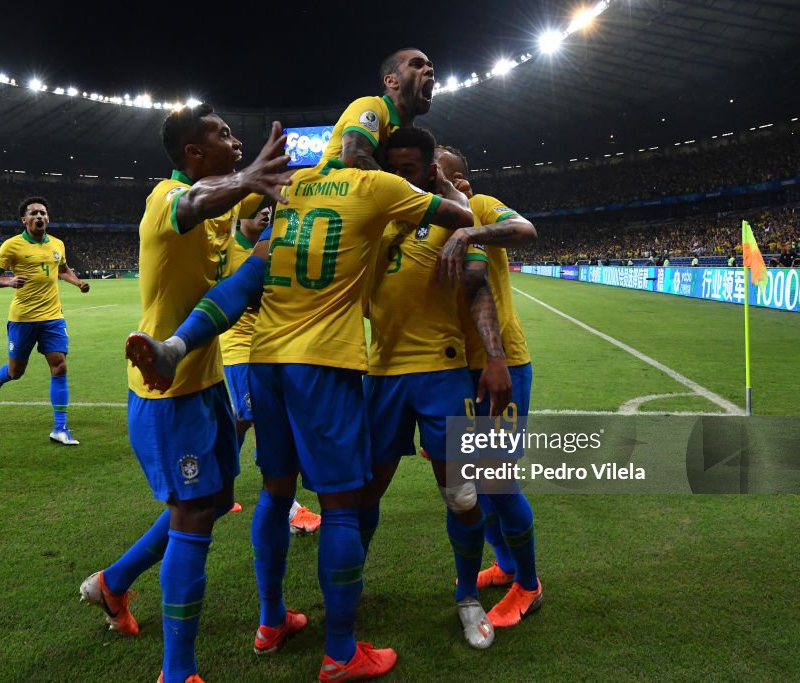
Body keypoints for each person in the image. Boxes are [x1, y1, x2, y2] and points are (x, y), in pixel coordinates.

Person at [126, 140, 475, 682]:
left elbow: (247, 281)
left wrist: (179, 343)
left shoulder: (292, 191)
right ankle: (340, 652)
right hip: (333, 362)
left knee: (275, 490)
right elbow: (466, 215)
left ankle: (270, 621)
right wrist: (438, 186)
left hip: (266, 359)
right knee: (343, 505)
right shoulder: (376, 189)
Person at [80, 104, 292, 683]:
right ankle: (177, 673)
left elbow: (231, 277)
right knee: (196, 513)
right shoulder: (165, 200)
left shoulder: (220, 214)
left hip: (204, 381)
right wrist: (248, 181)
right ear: (194, 154)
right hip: (163, 388)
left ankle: (113, 583)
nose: (235, 139)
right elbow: (195, 203)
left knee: (213, 500)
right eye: (222, 135)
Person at [358, 127, 511, 649]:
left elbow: (477, 288)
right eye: (392, 168)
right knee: (364, 493)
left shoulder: (455, 223)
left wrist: (495, 357)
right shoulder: (371, 223)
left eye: (412, 168)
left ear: (429, 171)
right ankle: (350, 587)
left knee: (463, 495)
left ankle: (468, 597)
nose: (401, 176)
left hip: (442, 374)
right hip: (379, 375)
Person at [435, 144, 543, 630]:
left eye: (437, 168)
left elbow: (525, 230)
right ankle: (506, 564)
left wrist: (470, 229)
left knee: (497, 482)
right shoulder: (422, 216)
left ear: (461, 180)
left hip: (504, 364)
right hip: (458, 370)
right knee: (473, 485)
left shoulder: (480, 207)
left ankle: (530, 584)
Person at [219, 205, 322, 534]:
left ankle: (220, 485)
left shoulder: (476, 214)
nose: (265, 213)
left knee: (243, 419)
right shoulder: (232, 252)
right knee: (258, 418)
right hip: (241, 347)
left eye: (267, 207)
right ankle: (288, 506)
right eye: (255, 208)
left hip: (268, 345)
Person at [0, 197, 89, 445]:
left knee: (59, 366)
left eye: (43, 213)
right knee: (16, 372)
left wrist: (77, 282)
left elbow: (62, 269)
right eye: (34, 213)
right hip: (23, 319)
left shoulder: (57, 244)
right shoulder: (12, 246)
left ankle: (60, 428)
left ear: (48, 218)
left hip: (53, 317)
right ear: (24, 220)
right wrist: (9, 281)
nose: (40, 217)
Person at [320, 48, 436, 170]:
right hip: (329, 186)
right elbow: (355, 156)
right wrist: (406, 189)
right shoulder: (371, 105)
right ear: (392, 81)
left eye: (429, 66)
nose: (430, 70)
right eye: (416, 65)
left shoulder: (409, 134)